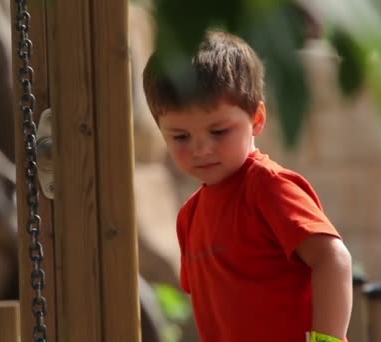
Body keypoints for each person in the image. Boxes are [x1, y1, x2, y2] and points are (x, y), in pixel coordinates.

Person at [142, 30, 352, 342]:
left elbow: (333, 258)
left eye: (219, 132)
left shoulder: (268, 187)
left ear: (257, 120)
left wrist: (327, 341)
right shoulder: (190, 217)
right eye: (181, 137)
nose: (201, 149)